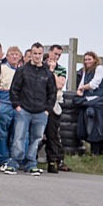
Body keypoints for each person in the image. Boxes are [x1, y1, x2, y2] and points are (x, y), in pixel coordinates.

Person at [1, 42, 56, 176]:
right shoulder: (22, 70)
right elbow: (14, 89)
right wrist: (17, 106)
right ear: (31, 54)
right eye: (34, 53)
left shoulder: (47, 74)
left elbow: (52, 93)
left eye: (39, 54)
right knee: (19, 137)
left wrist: (47, 110)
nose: (37, 56)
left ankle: (31, 164)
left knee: (36, 138)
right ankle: (14, 163)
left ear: (43, 55)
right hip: (24, 110)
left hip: (41, 112)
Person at [74, 51, 103, 155]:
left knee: (97, 124)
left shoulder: (99, 69)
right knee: (87, 122)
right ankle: (98, 146)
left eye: (89, 59)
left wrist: (82, 88)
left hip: (97, 100)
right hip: (88, 100)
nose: (87, 61)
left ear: (94, 59)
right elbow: (82, 82)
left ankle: (98, 149)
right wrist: (79, 90)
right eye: (85, 59)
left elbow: (94, 84)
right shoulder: (86, 71)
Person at [0, 45, 22, 168]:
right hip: (3, 102)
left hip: (18, 105)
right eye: (12, 54)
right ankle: (2, 158)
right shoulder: (2, 68)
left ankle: (15, 159)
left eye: (17, 54)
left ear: (20, 57)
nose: (14, 56)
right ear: (7, 56)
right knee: (1, 133)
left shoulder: (23, 70)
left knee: (17, 134)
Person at [44, 44, 70, 173]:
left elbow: (59, 84)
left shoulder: (61, 69)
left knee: (52, 134)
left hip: (54, 104)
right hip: (39, 103)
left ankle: (53, 161)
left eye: (59, 55)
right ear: (49, 52)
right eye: (55, 53)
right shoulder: (40, 65)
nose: (57, 56)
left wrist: (52, 71)